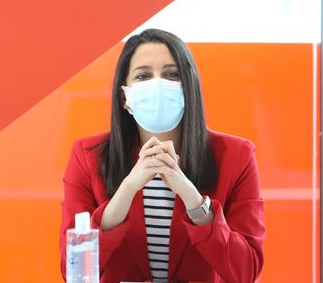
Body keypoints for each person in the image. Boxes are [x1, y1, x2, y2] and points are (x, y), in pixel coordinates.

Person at [59, 28, 265, 283]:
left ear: (188, 89)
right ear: (125, 97)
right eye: (143, 76)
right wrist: (128, 189)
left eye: (171, 75)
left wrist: (192, 199)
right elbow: (73, 274)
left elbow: (245, 271)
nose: (157, 84)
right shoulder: (88, 156)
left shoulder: (236, 156)